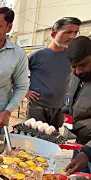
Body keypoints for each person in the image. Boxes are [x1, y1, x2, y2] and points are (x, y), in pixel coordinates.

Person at [25, 17, 81, 130]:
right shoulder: (36, 55)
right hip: (37, 107)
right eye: (68, 32)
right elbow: (15, 75)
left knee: (53, 141)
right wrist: (24, 91)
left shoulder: (72, 57)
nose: (72, 36)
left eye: (75, 32)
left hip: (59, 108)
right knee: (34, 141)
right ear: (53, 34)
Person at [64, 36, 91, 174]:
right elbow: (69, 98)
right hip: (80, 145)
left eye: (83, 64)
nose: (78, 71)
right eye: (74, 66)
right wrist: (66, 113)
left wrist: (88, 152)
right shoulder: (75, 76)